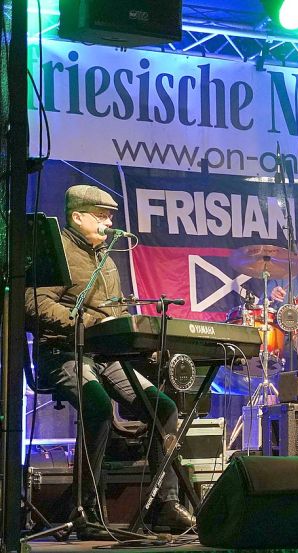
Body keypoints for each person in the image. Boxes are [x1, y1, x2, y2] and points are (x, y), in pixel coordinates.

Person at [25, 185, 194, 539]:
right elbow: (34, 305)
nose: (109, 221)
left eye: (111, 216)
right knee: (98, 405)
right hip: (62, 353)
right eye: (102, 215)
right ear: (77, 216)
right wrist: (89, 321)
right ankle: (86, 511)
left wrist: (142, 342)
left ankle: (164, 505)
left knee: (162, 408)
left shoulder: (108, 260)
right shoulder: (57, 252)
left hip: (105, 356)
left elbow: (115, 313)